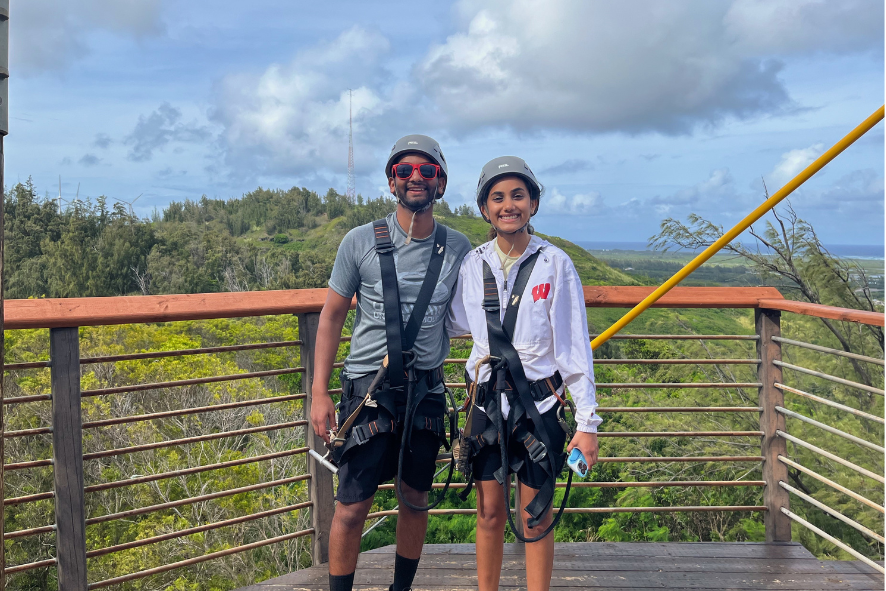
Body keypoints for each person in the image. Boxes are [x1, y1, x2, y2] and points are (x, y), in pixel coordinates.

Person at [310, 134, 472, 591]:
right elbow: (333, 316)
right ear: (390, 182)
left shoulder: (458, 248)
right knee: (352, 503)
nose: (415, 178)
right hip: (369, 389)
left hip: (426, 389)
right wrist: (319, 392)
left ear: (440, 183)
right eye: (405, 171)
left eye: (426, 171)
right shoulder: (358, 241)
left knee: (415, 498)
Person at [447, 156, 601, 591]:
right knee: (489, 514)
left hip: (539, 405)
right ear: (484, 208)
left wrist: (587, 423)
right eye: (497, 198)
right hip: (485, 404)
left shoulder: (555, 264)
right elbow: (458, 321)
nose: (507, 205)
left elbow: (573, 348)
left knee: (537, 516)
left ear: (533, 203)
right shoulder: (472, 265)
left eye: (517, 195)